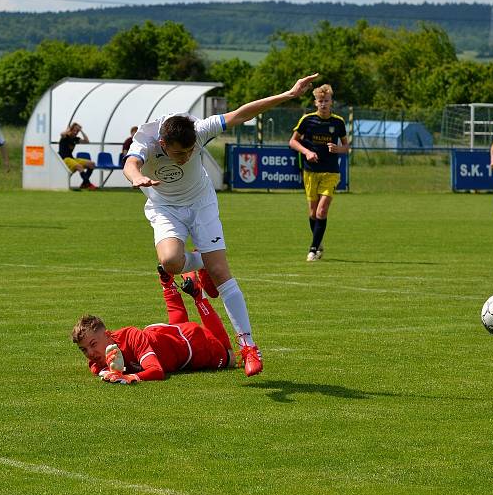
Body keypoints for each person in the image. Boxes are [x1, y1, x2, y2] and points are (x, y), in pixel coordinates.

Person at [123, 72, 320, 377]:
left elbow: (242, 112)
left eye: (191, 151)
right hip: (165, 207)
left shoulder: (197, 130)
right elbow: (130, 164)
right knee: (171, 262)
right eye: (179, 153)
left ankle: (249, 346)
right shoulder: (146, 141)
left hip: (201, 204)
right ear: (163, 143)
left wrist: (289, 95)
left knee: (221, 272)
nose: (187, 157)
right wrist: (138, 179)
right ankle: (204, 262)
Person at [72, 268, 235, 383]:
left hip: (193, 344)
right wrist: (108, 372)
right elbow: (97, 368)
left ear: (108, 335)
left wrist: (129, 377)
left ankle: (199, 296)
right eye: (84, 349)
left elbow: (156, 371)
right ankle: (168, 284)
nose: (90, 353)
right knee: (176, 330)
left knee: (229, 358)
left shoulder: (131, 337)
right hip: (165, 335)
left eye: (93, 345)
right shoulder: (97, 358)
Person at [288, 83, 349, 262]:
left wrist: (338, 148)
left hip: (331, 172)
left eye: (326, 101)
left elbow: (346, 147)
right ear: (315, 102)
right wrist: (307, 152)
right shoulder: (307, 120)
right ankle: (319, 241)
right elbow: (293, 142)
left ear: (331, 102)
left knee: (322, 211)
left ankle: (313, 249)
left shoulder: (338, 122)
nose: (323, 104)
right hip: (311, 172)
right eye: (320, 101)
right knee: (313, 213)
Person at [59, 122, 96, 190]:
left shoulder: (76, 139)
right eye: (74, 130)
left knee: (92, 164)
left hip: (71, 158)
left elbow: (87, 141)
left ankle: (84, 184)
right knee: (79, 167)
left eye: (77, 131)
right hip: (64, 159)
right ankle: (88, 184)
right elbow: (62, 134)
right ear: (71, 129)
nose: (76, 132)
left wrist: (81, 130)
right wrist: (69, 129)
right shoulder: (66, 136)